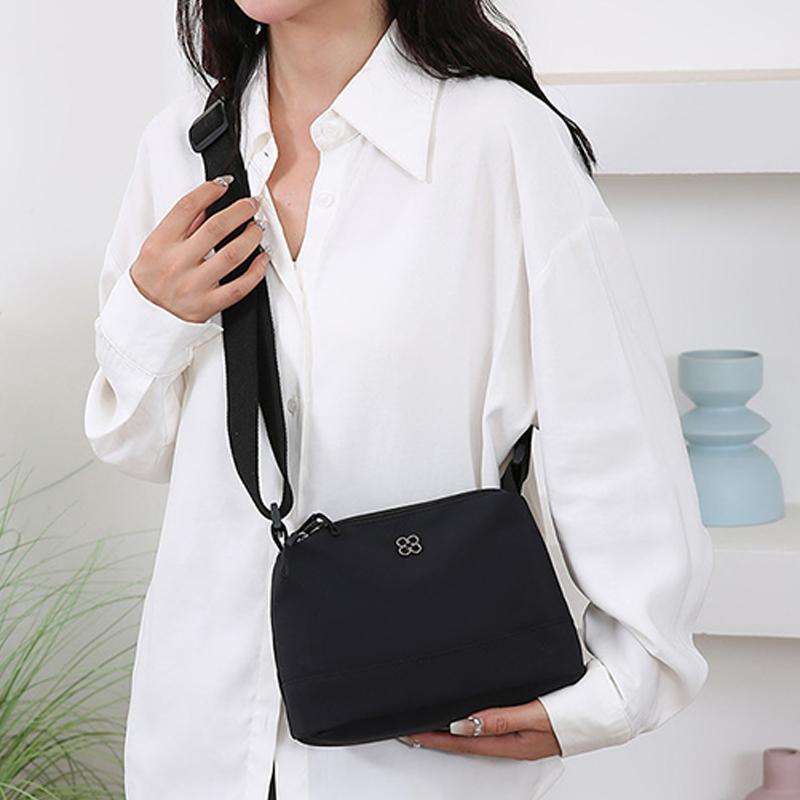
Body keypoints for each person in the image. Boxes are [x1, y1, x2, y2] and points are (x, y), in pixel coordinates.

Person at [83, 2, 714, 799]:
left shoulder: (501, 141)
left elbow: (614, 438)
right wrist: (154, 313)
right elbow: (137, 444)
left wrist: (620, 691)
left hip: (422, 751)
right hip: (199, 743)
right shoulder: (178, 147)